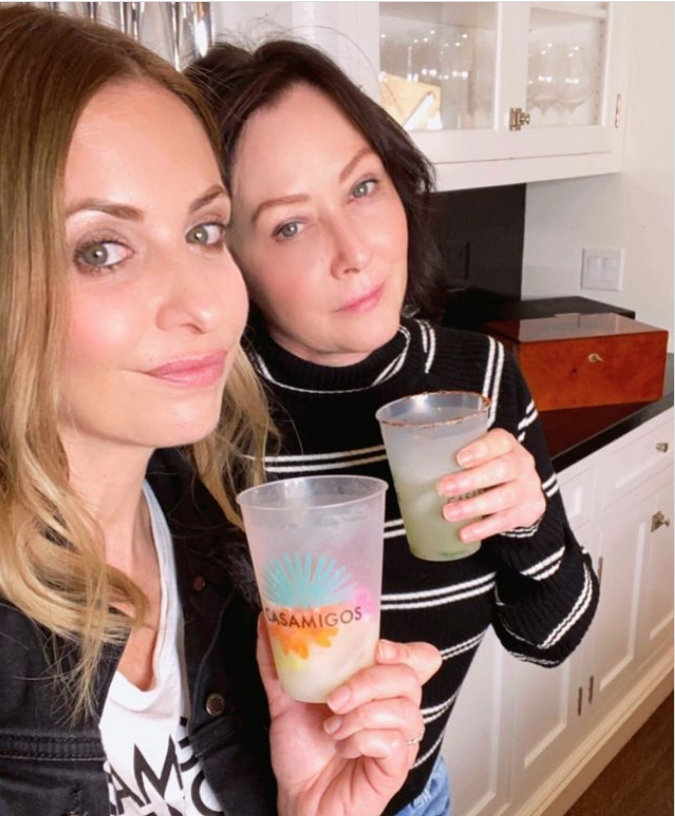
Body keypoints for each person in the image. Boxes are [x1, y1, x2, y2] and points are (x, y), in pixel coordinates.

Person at [0, 7, 442, 816]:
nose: (205, 305)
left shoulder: (212, 539)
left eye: (204, 232)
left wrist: (311, 805)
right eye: (102, 250)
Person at [187, 39, 601, 816]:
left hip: (415, 792)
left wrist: (529, 523)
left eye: (362, 186)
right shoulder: (201, 415)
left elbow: (551, 637)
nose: (354, 252)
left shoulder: (478, 378)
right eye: (288, 226)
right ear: (228, 258)